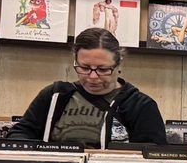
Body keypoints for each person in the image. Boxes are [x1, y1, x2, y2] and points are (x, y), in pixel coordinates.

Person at [9, 27, 167, 147]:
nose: (92, 77)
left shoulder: (141, 106)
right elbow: (19, 134)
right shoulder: (54, 95)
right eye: (84, 68)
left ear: (119, 65)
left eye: (103, 69)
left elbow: (154, 155)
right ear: (75, 62)